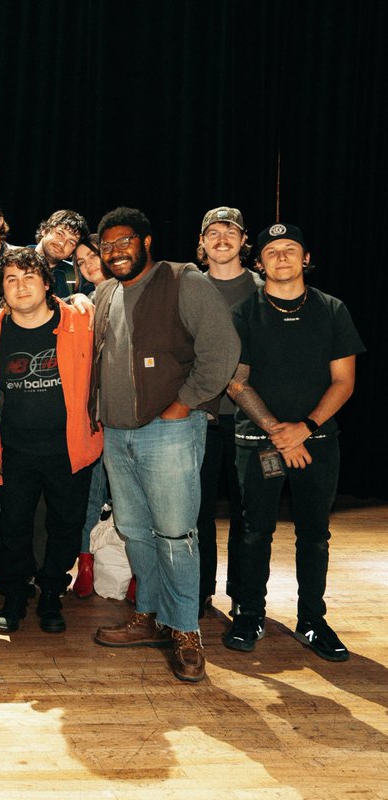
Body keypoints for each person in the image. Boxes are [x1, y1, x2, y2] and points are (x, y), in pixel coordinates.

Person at [90, 207, 239, 683]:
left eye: (124, 242)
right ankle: (150, 617)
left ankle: (185, 631)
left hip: (170, 430)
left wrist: (186, 403)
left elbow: (222, 350)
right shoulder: (105, 293)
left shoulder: (183, 280)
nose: (115, 252)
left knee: (175, 535)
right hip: (116, 432)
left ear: (146, 242)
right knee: (135, 531)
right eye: (107, 246)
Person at [224, 223, 364, 662]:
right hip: (260, 441)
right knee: (253, 532)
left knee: (315, 535)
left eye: (291, 250)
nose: (282, 257)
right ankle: (250, 615)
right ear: (259, 262)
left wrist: (304, 426)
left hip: (317, 441)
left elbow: (344, 381)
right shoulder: (245, 312)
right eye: (272, 251)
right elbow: (236, 382)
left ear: (306, 258)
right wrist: (278, 433)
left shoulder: (332, 309)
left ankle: (312, 620)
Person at [0, 248, 102, 634]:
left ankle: (52, 593)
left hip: (70, 449)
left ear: (48, 283)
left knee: (64, 527)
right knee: (14, 527)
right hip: (16, 450)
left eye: (29, 278)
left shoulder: (79, 320)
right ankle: (15, 596)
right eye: (11, 280)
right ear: (2, 289)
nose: (20, 286)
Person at [195, 207, 262, 617]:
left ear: (243, 240)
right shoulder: (189, 287)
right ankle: (199, 592)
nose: (222, 238)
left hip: (249, 419)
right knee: (197, 515)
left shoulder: (262, 287)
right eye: (213, 232)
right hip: (199, 420)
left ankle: (242, 596)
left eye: (230, 232)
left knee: (247, 515)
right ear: (201, 243)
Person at [70, 233, 108, 598]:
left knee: (131, 500)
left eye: (92, 255)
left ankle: (133, 573)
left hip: (132, 414)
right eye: (80, 262)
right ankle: (85, 564)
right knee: (91, 494)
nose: (87, 264)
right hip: (94, 412)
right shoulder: (83, 302)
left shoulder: (134, 291)